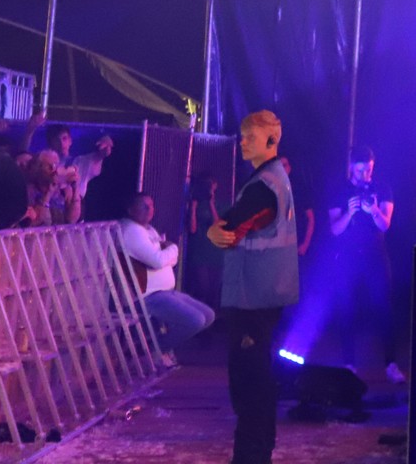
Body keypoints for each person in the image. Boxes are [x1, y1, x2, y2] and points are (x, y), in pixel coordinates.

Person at [207, 110, 299, 464]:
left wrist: (214, 230)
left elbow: (229, 229)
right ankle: (259, 454)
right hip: (267, 294)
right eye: (242, 135)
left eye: (250, 137)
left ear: (271, 140)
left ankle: (250, 458)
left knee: (249, 388)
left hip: (252, 298)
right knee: (259, 384)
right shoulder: (275, 179)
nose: (242, 142)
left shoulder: (263, 186)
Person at [327, 145, 403, 383]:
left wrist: (374, 211)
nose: (364, 175)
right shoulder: (339, 189)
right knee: (347, 308)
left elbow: (385, 225)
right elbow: (335, 230)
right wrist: (349, 213)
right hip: (348, 256)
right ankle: (349, 363)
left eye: (368, 170)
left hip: (375, 255)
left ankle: (391, 363)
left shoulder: (382, 188)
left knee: (383, 308)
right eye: (360, 170)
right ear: (351, 167)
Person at [120, 192, 215, 365]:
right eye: (143, 206)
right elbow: (158, 261)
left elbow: (167, 261)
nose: (149, 209)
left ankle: (155, 349)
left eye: (151, 205)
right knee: (196, 320)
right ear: (130, 209)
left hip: (165, 292)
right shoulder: (131, 231)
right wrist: (173, 248)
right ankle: (151, 351)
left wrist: (166, 255)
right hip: (148, 296)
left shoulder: (149, 229)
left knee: (208, 315)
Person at [183, 172, 224, 308]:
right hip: (199, 253)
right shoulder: (195, 204)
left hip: (215, 254)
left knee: (214, 291)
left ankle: (212, 317)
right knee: (202, 288)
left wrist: (211, 204)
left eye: (211, 186)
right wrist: (193, 207)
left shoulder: (220, 205)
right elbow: (192, 229)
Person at [25, 149, 81, 225]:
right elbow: (38, 221)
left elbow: (72, 219)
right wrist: (48, 193)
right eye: (48, 166)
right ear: (38, 168)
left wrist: (75, 187)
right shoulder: (29, 191)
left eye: (56, 165)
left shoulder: (63, 191)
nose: (53, 169)